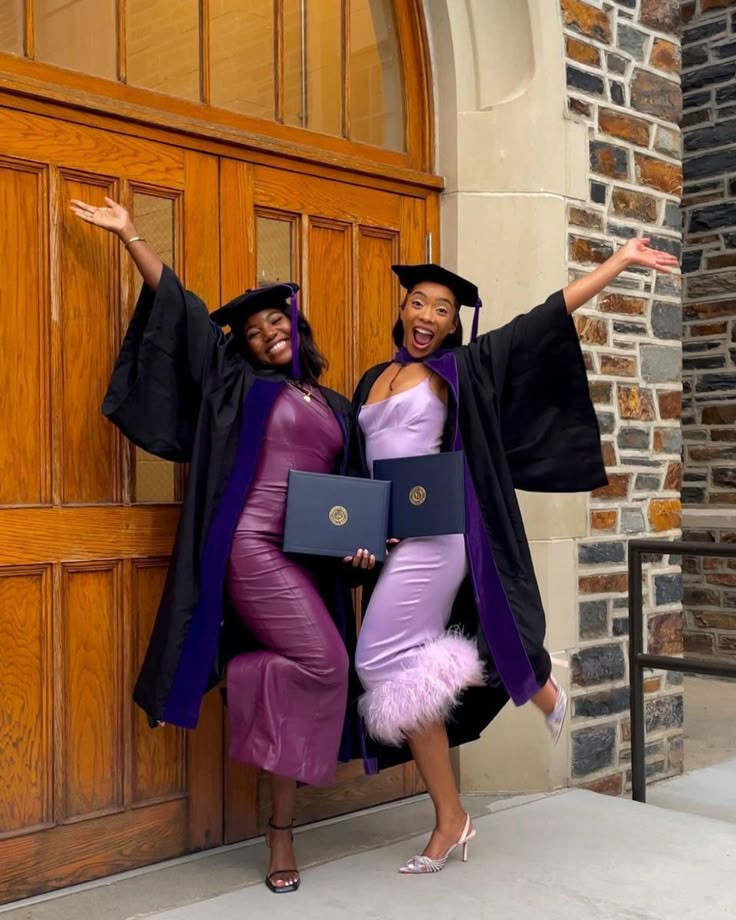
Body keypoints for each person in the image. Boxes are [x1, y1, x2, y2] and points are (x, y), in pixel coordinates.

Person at [70, 197, 375, 895]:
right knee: (327, 663)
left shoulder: (335, 408)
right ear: (242, 343)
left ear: (297, 325)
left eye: (278, 321)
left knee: (317, 671)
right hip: (248, 543)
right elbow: (182, 310)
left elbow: (350, 496)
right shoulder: (238, 383)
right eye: (255, 329)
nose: (268, 333)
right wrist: (133, 239)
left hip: (304, 555)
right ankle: (247, 695)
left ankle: (280, 830)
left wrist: (363, 549)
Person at [351, 238, 679, 874]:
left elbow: (541, 322)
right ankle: (458, 808)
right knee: (396, 671)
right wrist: (368, 524)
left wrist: (616, 264)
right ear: (404, 307)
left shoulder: (461, 369)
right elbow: (362, 466)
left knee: (374, 659)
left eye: (441, 310)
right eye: (418, 303)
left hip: (439, 536)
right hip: (397, 540)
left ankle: (519, 685)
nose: (426, 317)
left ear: (454, 322)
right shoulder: (374, 378)